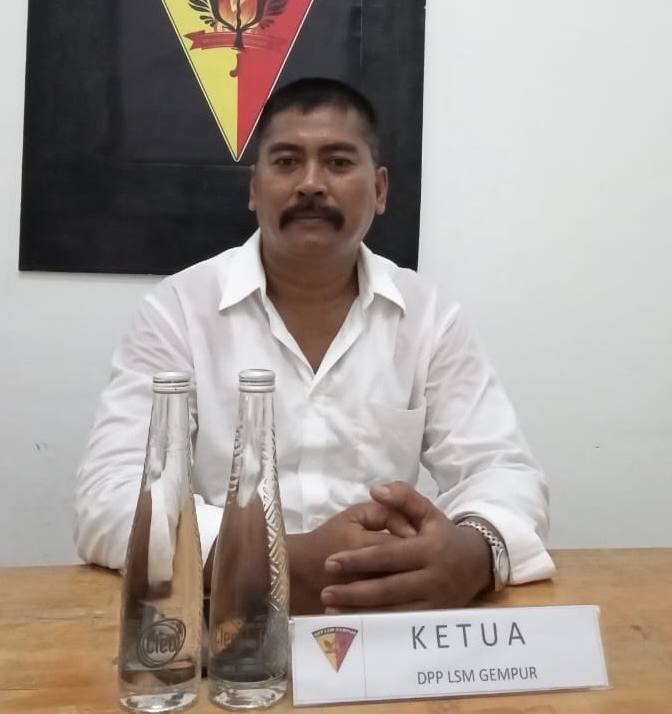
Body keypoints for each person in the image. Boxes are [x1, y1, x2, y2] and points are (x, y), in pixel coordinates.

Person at [75, 77, 555, 614]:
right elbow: (111, 497)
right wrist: (273, 560)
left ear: (380, 190)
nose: (310, 184)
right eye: (286, 162)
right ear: (254, 189)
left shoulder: (429, 317)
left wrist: (473, 553)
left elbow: (503, 471)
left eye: (338, 162)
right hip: (229, 625)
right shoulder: (179, 312)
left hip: (385, 621)